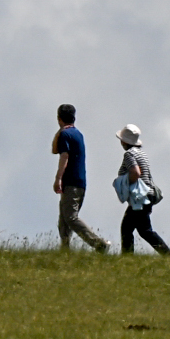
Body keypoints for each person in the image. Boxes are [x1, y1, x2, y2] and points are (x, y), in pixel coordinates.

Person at [52, 104, 108, 252]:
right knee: (64, 220)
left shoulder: (65, 135)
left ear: (59, 119)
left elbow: (63, 155)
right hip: (80, 182)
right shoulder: (77, 134)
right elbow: (55, 149)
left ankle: (98, 243)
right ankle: (64, 250)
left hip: (71, 182)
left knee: (70, 217)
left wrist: (58, 178)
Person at [112, 124, 170, 256]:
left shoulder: (129, 154)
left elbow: (135, 173)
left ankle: (128, 258)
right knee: (144, 230)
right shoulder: (142, 154)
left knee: (127, 228)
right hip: (148, 195)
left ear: (124, 141)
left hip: (140, 197)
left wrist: (125, 185)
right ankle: (168, 255)